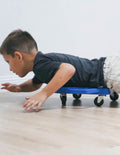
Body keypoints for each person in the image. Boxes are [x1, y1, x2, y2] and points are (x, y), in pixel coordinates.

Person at [0, 29, 119, 111]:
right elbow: (35, 84)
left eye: (8, 61)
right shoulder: (41, 67)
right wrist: (19, 88)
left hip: (108, 73)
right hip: (107, 68)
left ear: (18, 56)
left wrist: (43, 94)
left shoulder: (41, 65)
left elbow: (68, 69)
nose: (10, 68)